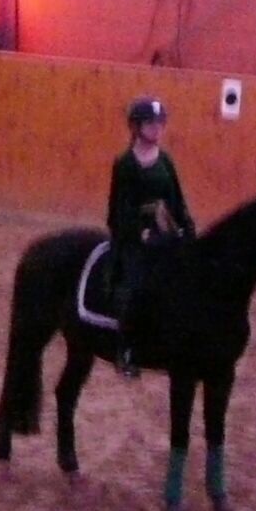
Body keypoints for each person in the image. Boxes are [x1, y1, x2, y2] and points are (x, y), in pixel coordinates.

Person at [107, 97, 195, 379]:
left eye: (160, 123)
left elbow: (177, 200)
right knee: (134, 285)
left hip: (165, 233)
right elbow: (118, 210)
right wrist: (139, 233)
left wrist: (187, 228)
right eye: (150, 123)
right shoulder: (125, 164)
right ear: (136, 127)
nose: (157, 128)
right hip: (136, 238)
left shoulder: (165, 160)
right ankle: (125, 349)